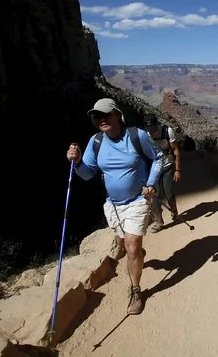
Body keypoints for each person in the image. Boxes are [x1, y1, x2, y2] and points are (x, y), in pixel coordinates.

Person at [66, 98, 163, 315]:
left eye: (106, 114)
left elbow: (158, 158)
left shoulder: (137, 136)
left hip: (138, 200)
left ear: (117, 115)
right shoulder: (96, 141)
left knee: (131, 244)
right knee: (123, 243)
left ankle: (136, 290)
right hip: (113, 204)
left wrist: (151, 182)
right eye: (96, 116)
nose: (101, 119)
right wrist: (78, 162)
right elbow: (88, 173)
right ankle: (136, 253)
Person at [142, 113, 181, 233]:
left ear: (157, 125)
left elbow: (175, 150)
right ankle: (158, 222)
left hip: (168, 166)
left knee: (168, 192)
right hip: (154, 169)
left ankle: (174, 212)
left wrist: (177, 170)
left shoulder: (167, 131)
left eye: (153, 128)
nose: (151, 131)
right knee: (155, 195)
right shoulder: (145, 135)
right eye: (149, 129)